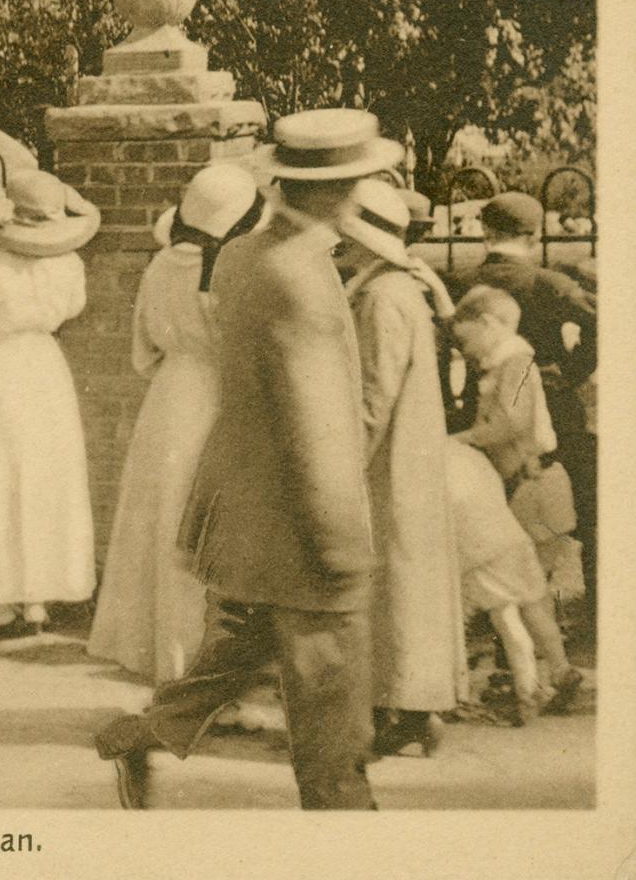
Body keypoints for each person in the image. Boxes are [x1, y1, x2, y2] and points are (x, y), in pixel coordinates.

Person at [96, 108, 398, 811]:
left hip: (244, 510)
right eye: (354, 180)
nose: (357, 193)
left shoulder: (242, 256)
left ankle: (141, 736)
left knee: (236, 653)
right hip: (303, 526)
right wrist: (340, 546)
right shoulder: (300, 276)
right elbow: (313, 417)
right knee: (332, 717)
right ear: (331, 190)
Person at [89, 164, 265, 684]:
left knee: (163, 516)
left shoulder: (162, 266)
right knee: (207, 519)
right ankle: (200, 650)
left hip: (169, 400)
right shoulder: (237, 271)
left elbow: (143, 353)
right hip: (218, 397)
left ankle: (159, 649)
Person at [335, 180, 464, 757]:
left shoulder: (382, 297)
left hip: (390, 463)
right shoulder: (400, 289)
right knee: (408, 576)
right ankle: (411, 706)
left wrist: (342, 464)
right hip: (411, 457)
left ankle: (403, 706)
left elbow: (373, 393)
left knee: (396, 580)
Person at [0, 169, 101, 639]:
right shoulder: (68, 264)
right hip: (46, 368)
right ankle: (37, 598)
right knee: (42, 477)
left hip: (0, 369)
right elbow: (72, 309)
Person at [463, 192, 598, 629]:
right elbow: (603, 323)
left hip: (485, 412)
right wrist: (571, 372)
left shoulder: (463, 281)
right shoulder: (551, 283)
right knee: (583, 501)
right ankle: (596, 606)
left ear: (486, 233)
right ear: (534, 234)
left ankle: (498, 616)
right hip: (552, 408)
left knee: (493, 509)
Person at [449, 286, 583, 720]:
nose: (465, 350)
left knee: (525, 590)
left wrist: (459, 439)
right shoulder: (507, 363)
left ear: (490, 325)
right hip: (525, 482)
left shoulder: (516, 362)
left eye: (467, 339)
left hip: (534, 483)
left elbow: (512, 421)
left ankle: (542, 677)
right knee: (527, 591)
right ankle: (556, 673)